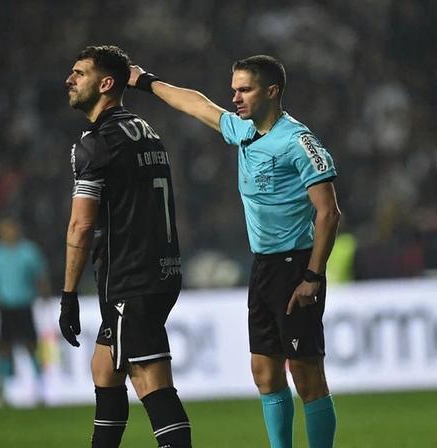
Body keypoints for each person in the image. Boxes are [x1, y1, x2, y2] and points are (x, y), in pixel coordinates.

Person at [129, 55, 340, 448]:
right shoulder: (242, 130)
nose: (236, 97)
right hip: (263, 267)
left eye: (245, 89)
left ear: (272, 91)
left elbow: (329, 212)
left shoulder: (298, 141)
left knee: (307, 375)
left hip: (296, 267)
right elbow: (197, 104)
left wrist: (313, 276)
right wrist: (146, 82)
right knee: (264, 372)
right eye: (234, 89)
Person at [59, 45, 191, 448]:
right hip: (159, 270)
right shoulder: (144, 129)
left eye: (79, 73)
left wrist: (68, 295)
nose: (69, 79)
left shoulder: (96, 143)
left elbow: (82, 224)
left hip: (131, 280)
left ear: (106, 83)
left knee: (150, 380)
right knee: (105, 368)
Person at [0, 217, 49, 406]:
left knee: (31, 347)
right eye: (4, 229)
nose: (8, 233)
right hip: (5, 307)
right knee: (4, 349)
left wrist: (45, 297)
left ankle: (40, 391)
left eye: (11, 229)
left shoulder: (29, 251)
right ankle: (1, 393)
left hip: (24, 306)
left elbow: (40, 277)